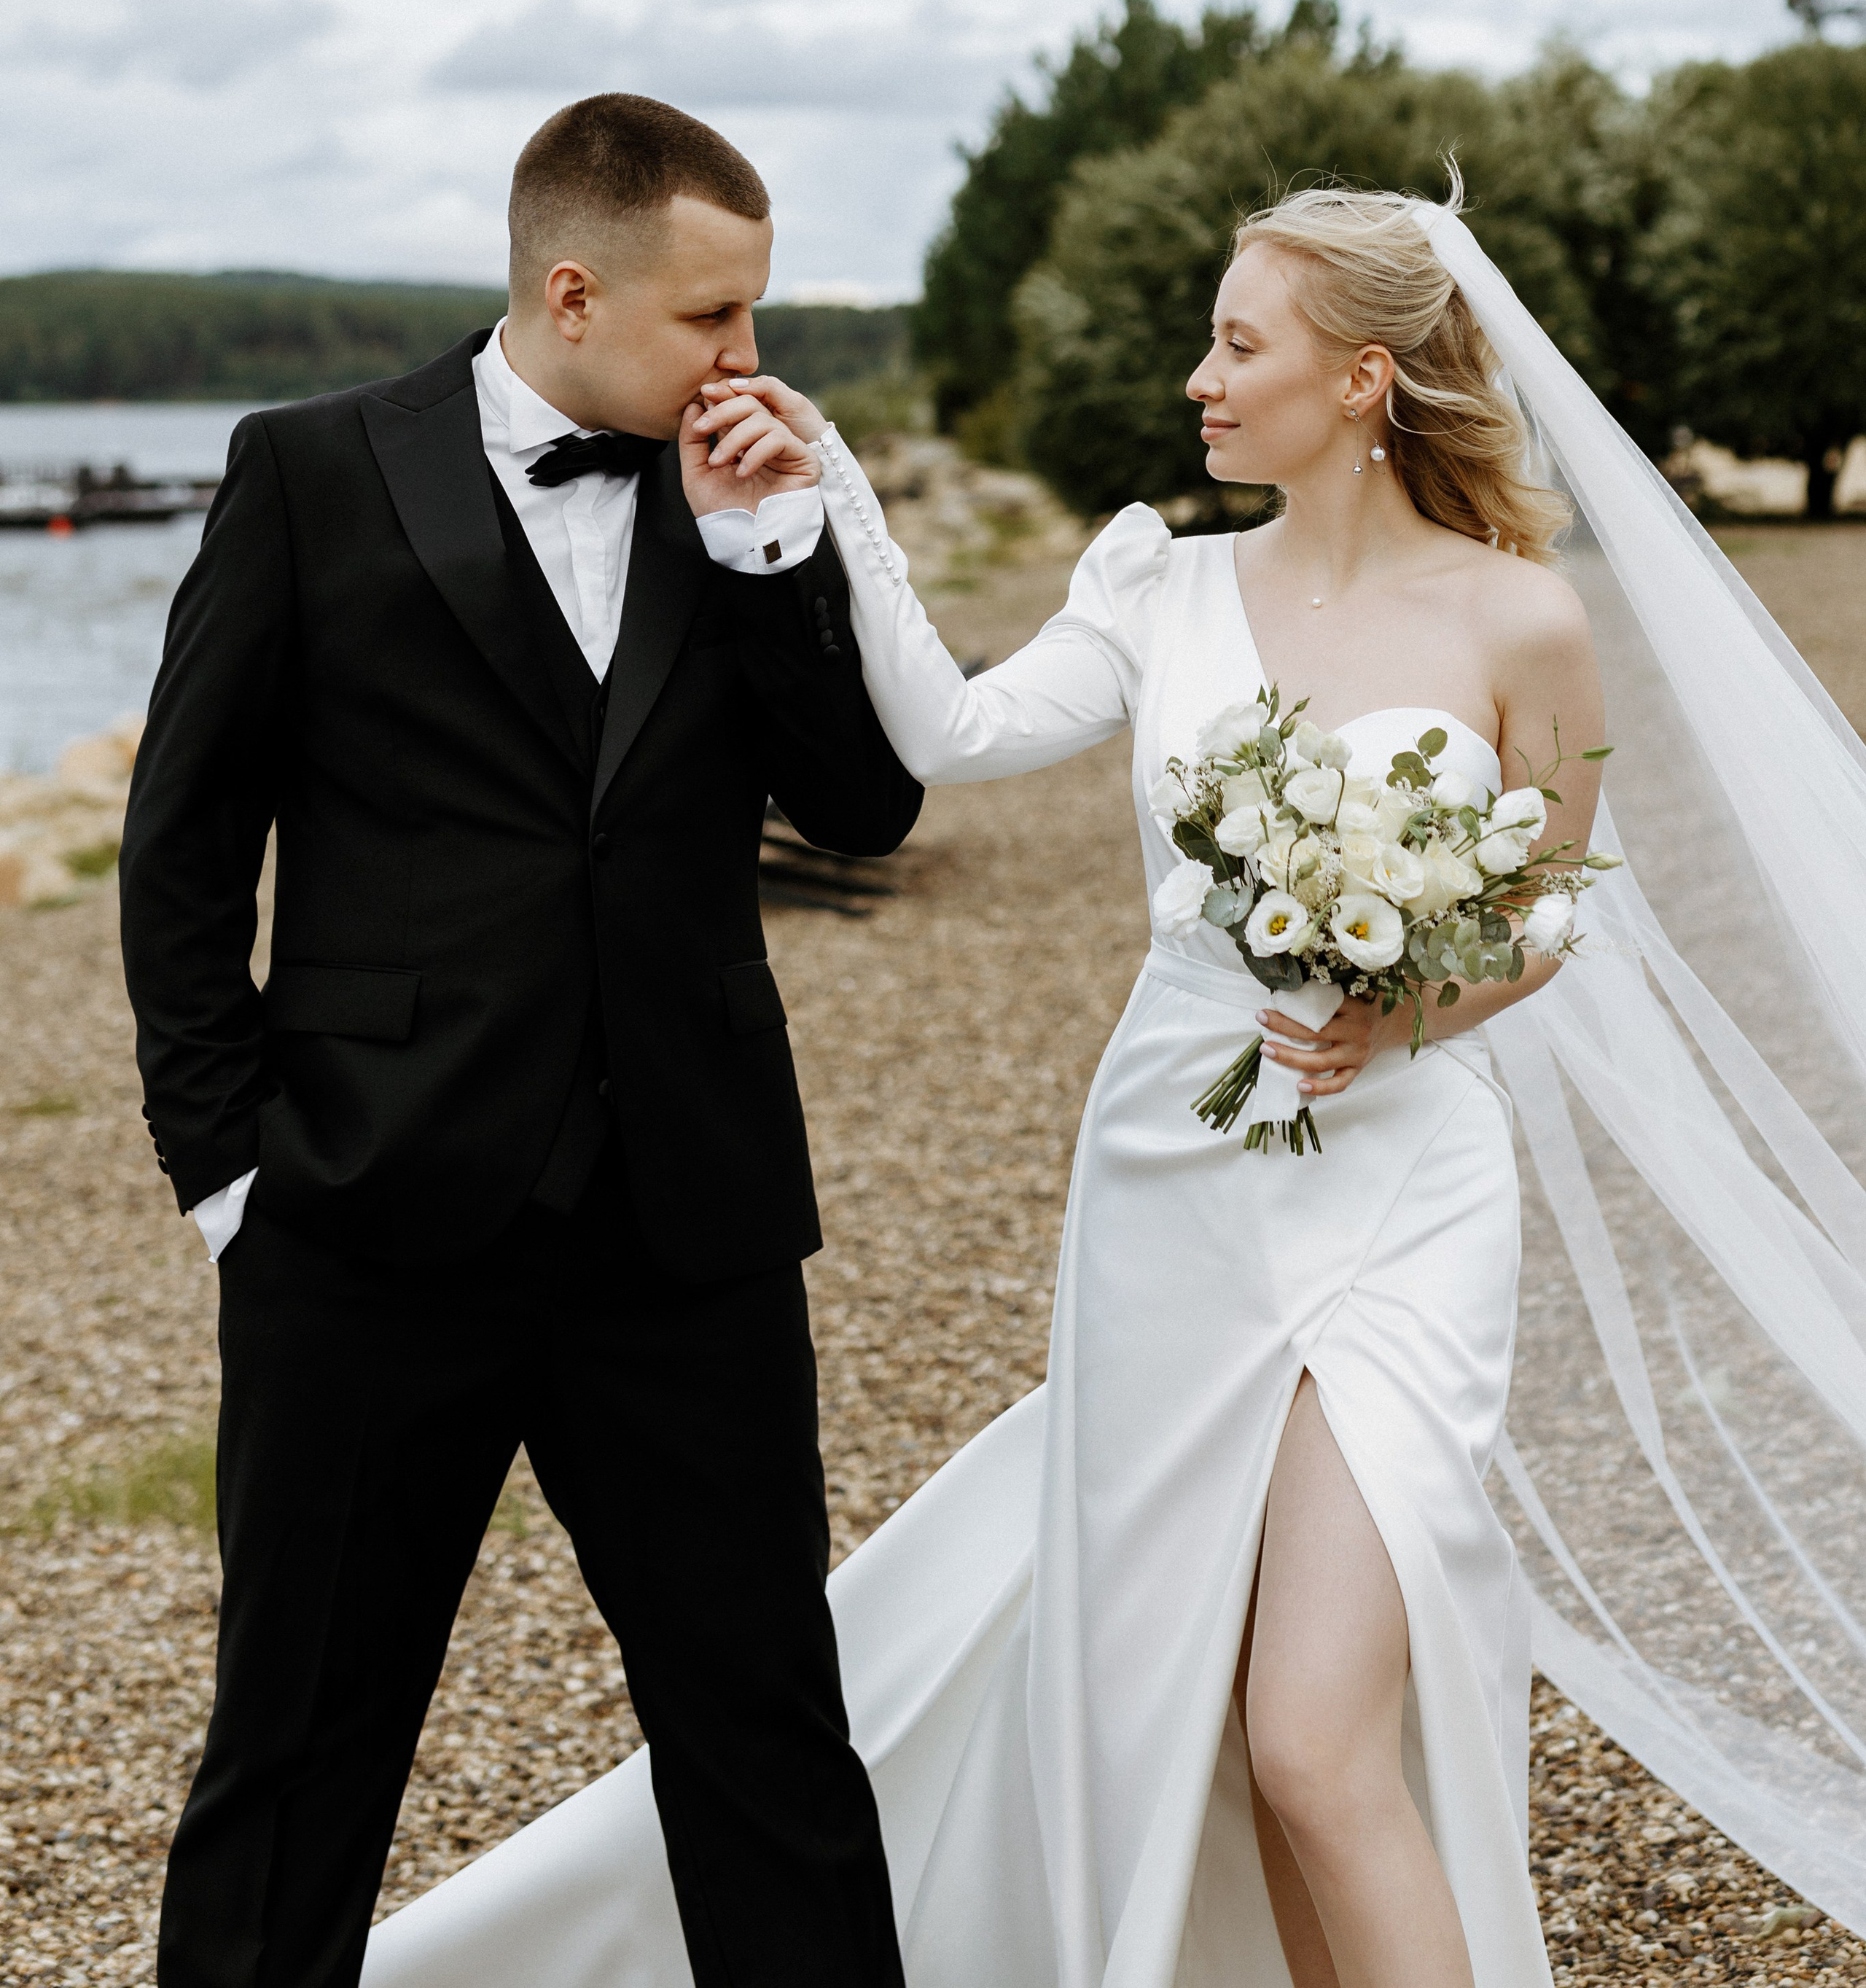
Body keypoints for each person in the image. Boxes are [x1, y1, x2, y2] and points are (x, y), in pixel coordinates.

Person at [364, 185, 1866, 1986]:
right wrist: (824, 491)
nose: (1197, 379)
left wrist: (1402, 1017)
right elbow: (952, 736)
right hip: (1170, 1175)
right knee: (1199, 1716)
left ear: (1364, 378)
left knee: (1314, 1729)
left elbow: (1547, 916)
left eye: (1239, 344)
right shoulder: (1163, 582)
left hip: (1398, 1187)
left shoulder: (1519, 622)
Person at [119, 93, 924, 1988]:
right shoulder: (311, 470)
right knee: (299, 1760)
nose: (750, 361)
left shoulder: (750, 488)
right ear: (574, 290)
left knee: (770, 1749)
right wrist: (232, 1180)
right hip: (362, 1224)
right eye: (712, 321)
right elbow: (180, 847)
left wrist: (767, 559)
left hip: (688, 1231)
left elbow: (868, 812)